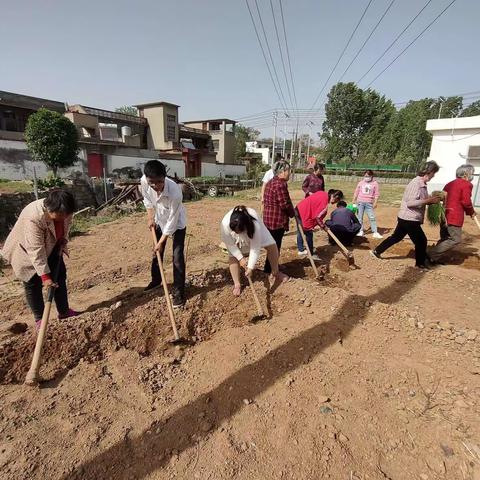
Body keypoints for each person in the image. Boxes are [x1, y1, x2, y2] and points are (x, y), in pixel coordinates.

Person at [0, 190, 79, 328]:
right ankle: (40, 320)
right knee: (32, 283)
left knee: (59, 276)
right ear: (50, 209)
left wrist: (62, 239)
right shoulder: (34, 217)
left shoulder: (65, 210)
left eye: (67, 214)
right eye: (61, 215)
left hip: (52, 245)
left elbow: (66, 225)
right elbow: (36, 250)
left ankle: (64, 312)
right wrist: (45, 278)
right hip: (25, 250)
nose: (64, 217)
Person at [371, 161, 441, 270]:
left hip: (406, 217)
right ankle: (420, 264)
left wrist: (429, 200)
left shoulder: (421, 183)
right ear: (429, 171)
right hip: (409, 218)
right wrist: (428, 201)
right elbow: (410, 203)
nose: (434, 176)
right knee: (421, 241)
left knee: (396, 237)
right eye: (434, 173)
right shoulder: (416, 183)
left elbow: (418, 199)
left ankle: (376, 251)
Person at [141, 160, 187, 307]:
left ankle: (179, 291)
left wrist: (161, 241)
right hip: (159, 220)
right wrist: (150, 218)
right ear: (146, 178)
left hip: (177, 224)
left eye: (159, 182)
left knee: (177, 257)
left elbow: (173, 220)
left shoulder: (175, 192)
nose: (156, 186)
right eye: (152, 182)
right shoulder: (143, 182)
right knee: (157, 254)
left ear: (165, 177)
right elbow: (147, 201)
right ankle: (156, 281)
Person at [221, 206, 288, 296]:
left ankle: (276, 272)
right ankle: (237, 284)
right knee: (232, 256)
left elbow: (255, 248)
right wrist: (240, 258)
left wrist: (250, 268)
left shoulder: (254, 223)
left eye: (239, 231)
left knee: (271, 245)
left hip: (252, 229)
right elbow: (230, 245)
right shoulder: (225, 225)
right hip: (234, 235)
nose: (238, 233)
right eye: (236, 231)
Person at [428, 164, 477, 263]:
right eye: (472, 173)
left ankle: (433, 258)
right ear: (466, 174)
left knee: (445, 238)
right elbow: (466, 201)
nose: (472, 175)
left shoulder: (449, 184)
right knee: (455, 239)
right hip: (454, 217)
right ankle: (431, 254)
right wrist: (471, 212)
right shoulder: (466, 184)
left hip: (444, 215)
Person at [262, 160, 295, 273]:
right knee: (275, 246)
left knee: (272, 245)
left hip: (269, 219)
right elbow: (284, 204)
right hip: (276, 221)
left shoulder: (272, 181)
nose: (289, 173)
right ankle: (271, 270)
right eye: (288, 171)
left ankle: (270, 267)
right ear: (283, 171)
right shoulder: (280, 184)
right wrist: (293, 213)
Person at [295, 189, 343, 257]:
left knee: (300, 231)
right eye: (337, 200)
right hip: (304, 214)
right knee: (309, 234)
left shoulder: (322, 193)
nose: (335, 203)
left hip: (298, 209)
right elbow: (318, 218)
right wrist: (324, 227)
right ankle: (310, 253)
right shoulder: (324, 205)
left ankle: (301, 250)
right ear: (335, 197)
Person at [353, 169, 382, 238]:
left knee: (372, 217)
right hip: (360, 202)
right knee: (359, 217)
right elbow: (356, 192)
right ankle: (360, 231)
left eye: (368, 176)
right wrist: (354, 200)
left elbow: (376, 194)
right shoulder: (360, 182)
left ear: (372, 176)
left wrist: (375, 202)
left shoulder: (375, 183)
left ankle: (375, 232)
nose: (367, 177)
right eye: (365, 176)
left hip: (369, 203)